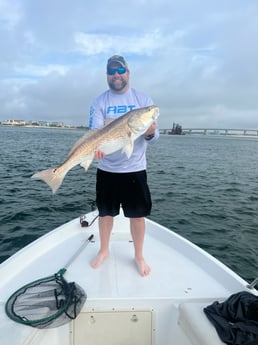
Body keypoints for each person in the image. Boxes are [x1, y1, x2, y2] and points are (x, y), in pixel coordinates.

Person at [88, 55, 159, 276]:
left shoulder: (143, 99)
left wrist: (149, 132)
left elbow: (155, 137)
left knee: (137, 216)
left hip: (135, 169)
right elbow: (95, 134)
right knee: (105, 213)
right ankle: (104, 250)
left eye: (120, 71)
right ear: (107, 76)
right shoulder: (100, 102)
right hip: (107, 169)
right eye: (111, 72)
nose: (116, 75)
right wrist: (95, 151)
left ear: (128, 73)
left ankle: (138, 256)